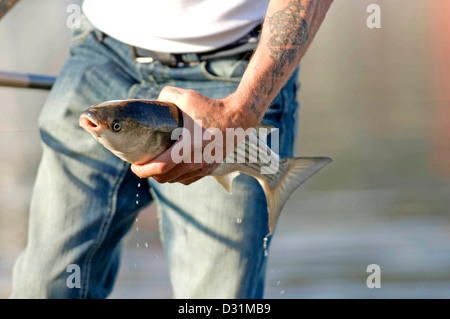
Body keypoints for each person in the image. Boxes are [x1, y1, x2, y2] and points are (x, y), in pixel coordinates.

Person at [11, 0, 333, 298]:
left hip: (235, 74)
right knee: (42, 286)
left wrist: (242, 111)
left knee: (216, 298)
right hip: (101, 53)